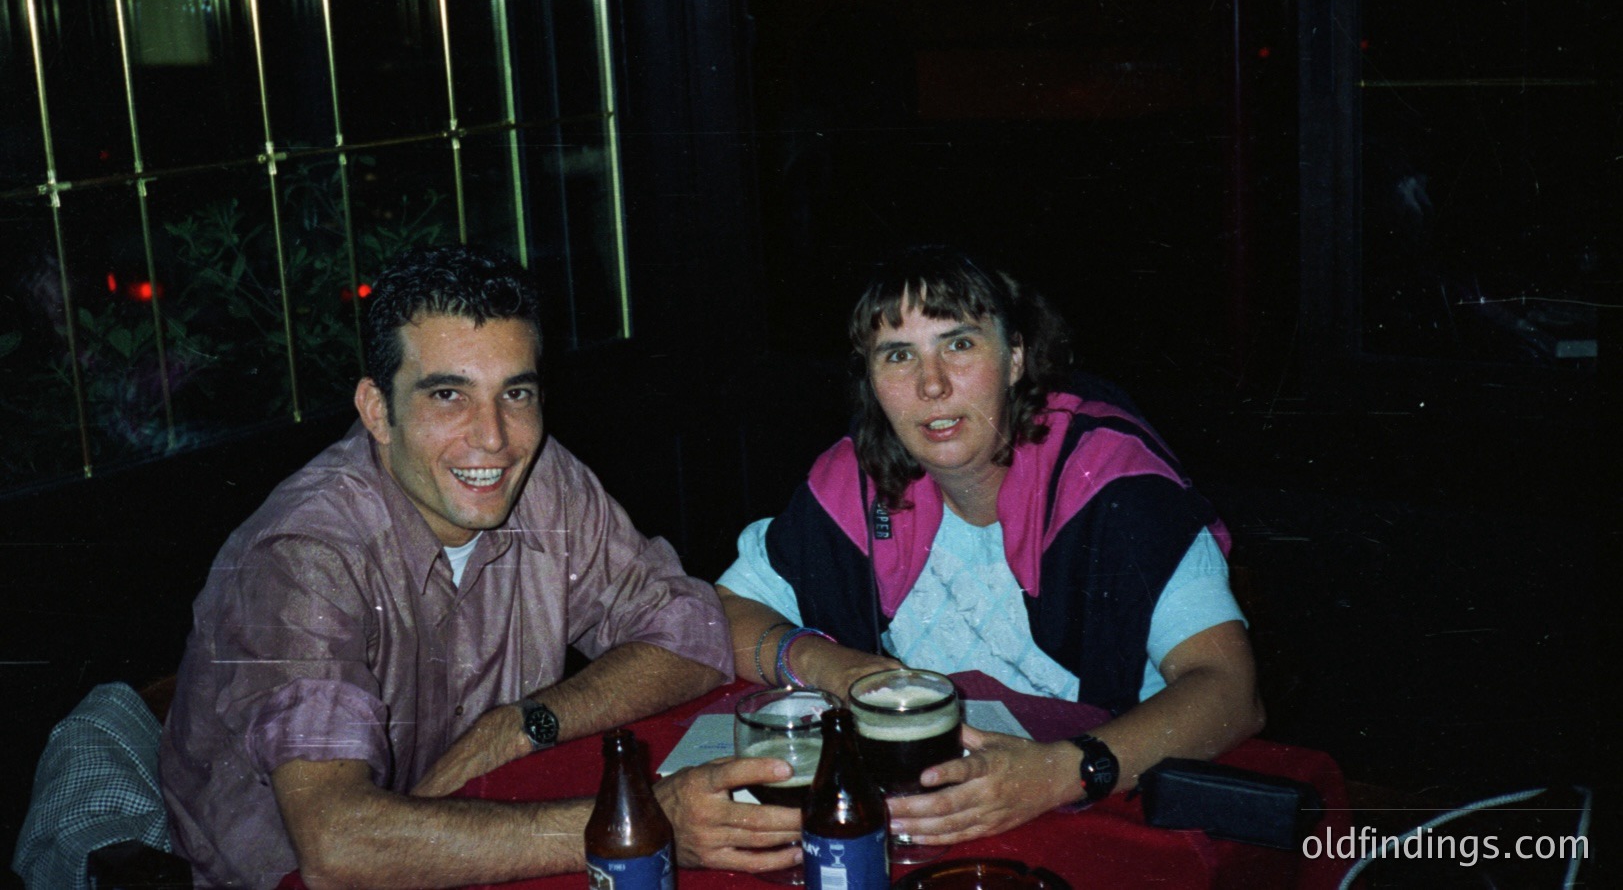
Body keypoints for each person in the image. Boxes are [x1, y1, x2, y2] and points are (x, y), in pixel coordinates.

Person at [160, 245, 800, 889]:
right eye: (448, 395)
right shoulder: (305, 555)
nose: (493, 437)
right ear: (377, 410)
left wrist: (519, 726)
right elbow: (336, 844)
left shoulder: (542, 479)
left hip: (481, 844)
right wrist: (635, 821)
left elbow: (691, 633)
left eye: (515, 393)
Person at [717, 244, 1265, 846]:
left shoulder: (1110, 480)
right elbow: (723, 612)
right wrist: (833, 666)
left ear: (1015, 358)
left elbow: (1230, 692)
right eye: (898, 355)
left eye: (958, 344)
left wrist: (1058, 773)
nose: (931, 385)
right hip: (941, 817)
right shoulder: (854, 483)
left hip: (1103, 800)